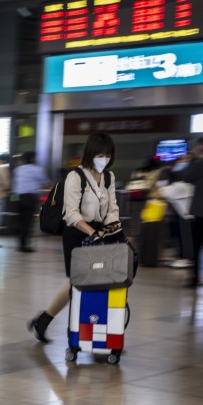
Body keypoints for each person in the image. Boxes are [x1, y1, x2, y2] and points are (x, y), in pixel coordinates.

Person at [28, 132, 121, 342]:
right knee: (78, 282)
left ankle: (50, 320)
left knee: (98, 281)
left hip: (101, 232)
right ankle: (78, 331)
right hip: (77, 232)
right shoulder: (75, 176)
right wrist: (92, 233)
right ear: (90, 153)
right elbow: (71, 214)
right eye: (100, 155)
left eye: (108, 155)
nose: (104, 159)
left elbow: (112, 207)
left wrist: (111, 226)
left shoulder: (109, 176)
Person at [172, 137, 203, 288]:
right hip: (200, 211)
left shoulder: (199, 164)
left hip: (200, 212)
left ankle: (195, 278)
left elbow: (186, 176)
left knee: (196, 246)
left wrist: (193, 159)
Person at [13, 151, 48, 253]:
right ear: (33, 159)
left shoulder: (17, 170)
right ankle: (25, 245)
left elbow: (15, 184)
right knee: (28, 222)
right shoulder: (37, 169)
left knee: (20, 221)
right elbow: (45, 182)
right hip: (30, 197)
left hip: (17, 197)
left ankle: (21, 243)